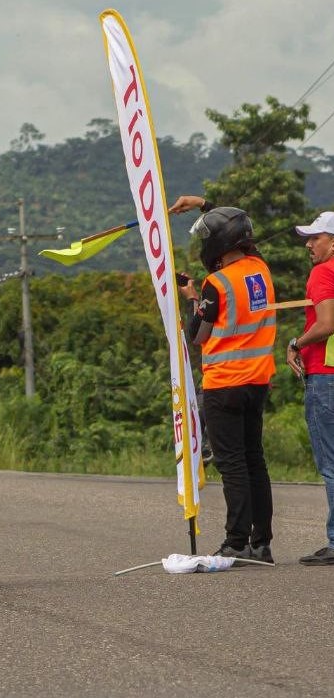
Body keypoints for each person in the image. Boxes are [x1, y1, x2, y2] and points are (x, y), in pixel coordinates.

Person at [175, 202, 276, 563]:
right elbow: (236, 224)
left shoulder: (215, 283)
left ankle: (235, 542)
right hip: (258, 379)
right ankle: (261, 542)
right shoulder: (260, 270)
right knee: (254, 460)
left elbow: (198, 334)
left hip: (224, 383)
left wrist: (192, 299)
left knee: (231, 463)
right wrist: (205, 206)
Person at [286, 211, 334, 565]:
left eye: (315, 237)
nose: (309, 244)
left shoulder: (323, 273)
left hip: (326, 376)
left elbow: (327, 324)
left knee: (331, 464)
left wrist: (296, 343)